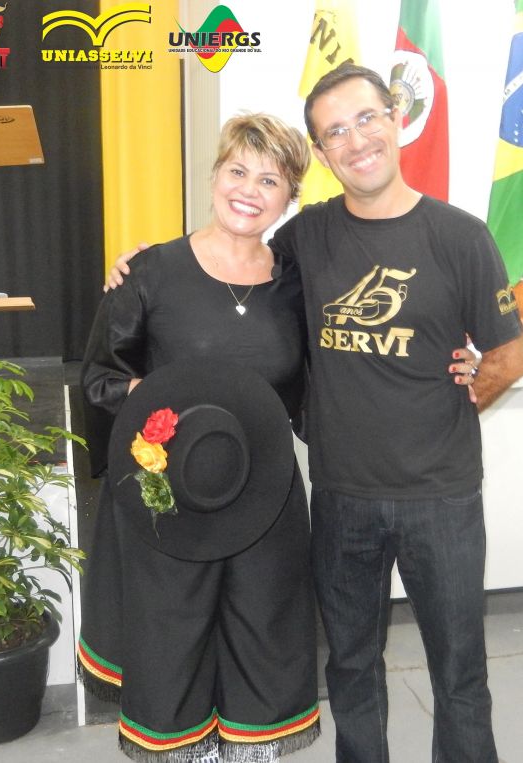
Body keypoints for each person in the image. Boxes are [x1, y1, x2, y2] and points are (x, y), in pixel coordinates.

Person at [106, 65, 523, 762]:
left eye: (366, 119)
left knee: (460, 673)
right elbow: (232, 261)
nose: (355, 140)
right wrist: (143, 263)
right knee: (350, 668)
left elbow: (509, 351)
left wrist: (465, 390)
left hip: (442, 497)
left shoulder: (462, 236)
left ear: (395, 119)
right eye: (335, 132)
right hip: (339, 498)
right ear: (323, 155)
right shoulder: (306, 238)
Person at [78, 113, 321, 763]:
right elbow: (100, 378)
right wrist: (155, 398)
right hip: (169, 501)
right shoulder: (149, 272)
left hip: (265, 501)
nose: (249, 189)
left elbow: (319, 390)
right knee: (173, 643)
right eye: (238, 170)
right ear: (215, 175)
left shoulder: (299, 286)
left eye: (269, 179)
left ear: (289, 197)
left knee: (260, 640)